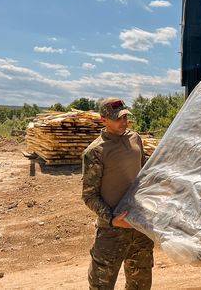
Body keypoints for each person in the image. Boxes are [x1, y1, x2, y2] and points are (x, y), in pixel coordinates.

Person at [82, 98, 153, 290]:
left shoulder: (135, 139)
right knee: (101, 285)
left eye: (125, 117)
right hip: (111, 231)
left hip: (139, 226)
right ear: (103, 120)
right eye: (117, 118)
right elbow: (89, 196)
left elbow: (145, 174)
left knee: (141, 284)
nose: (124, 122)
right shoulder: (96, 151)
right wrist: (112, 219)